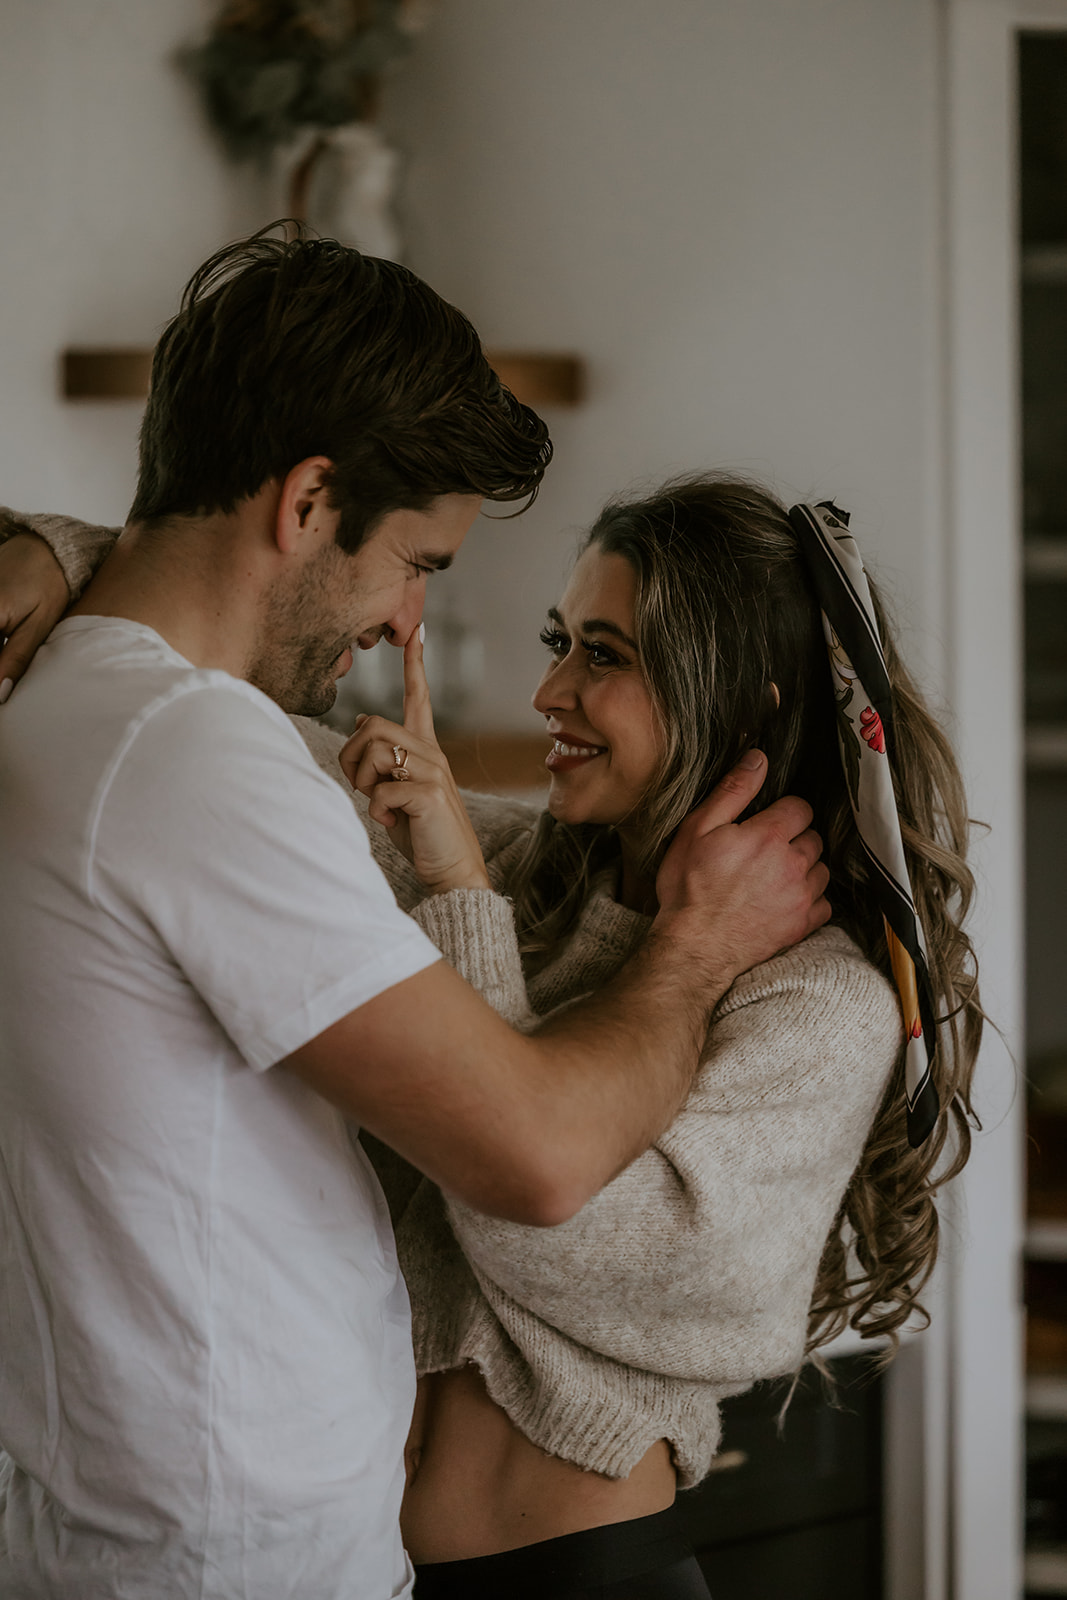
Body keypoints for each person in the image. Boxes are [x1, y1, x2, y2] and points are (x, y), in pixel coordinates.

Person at [0, 233, 830, 1600]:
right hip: (227, 1561)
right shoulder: (190, 758)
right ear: (309, 497)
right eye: (414, 559)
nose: (403, 623)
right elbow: (538, 1156)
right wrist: (696, 949)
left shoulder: (62, 701)